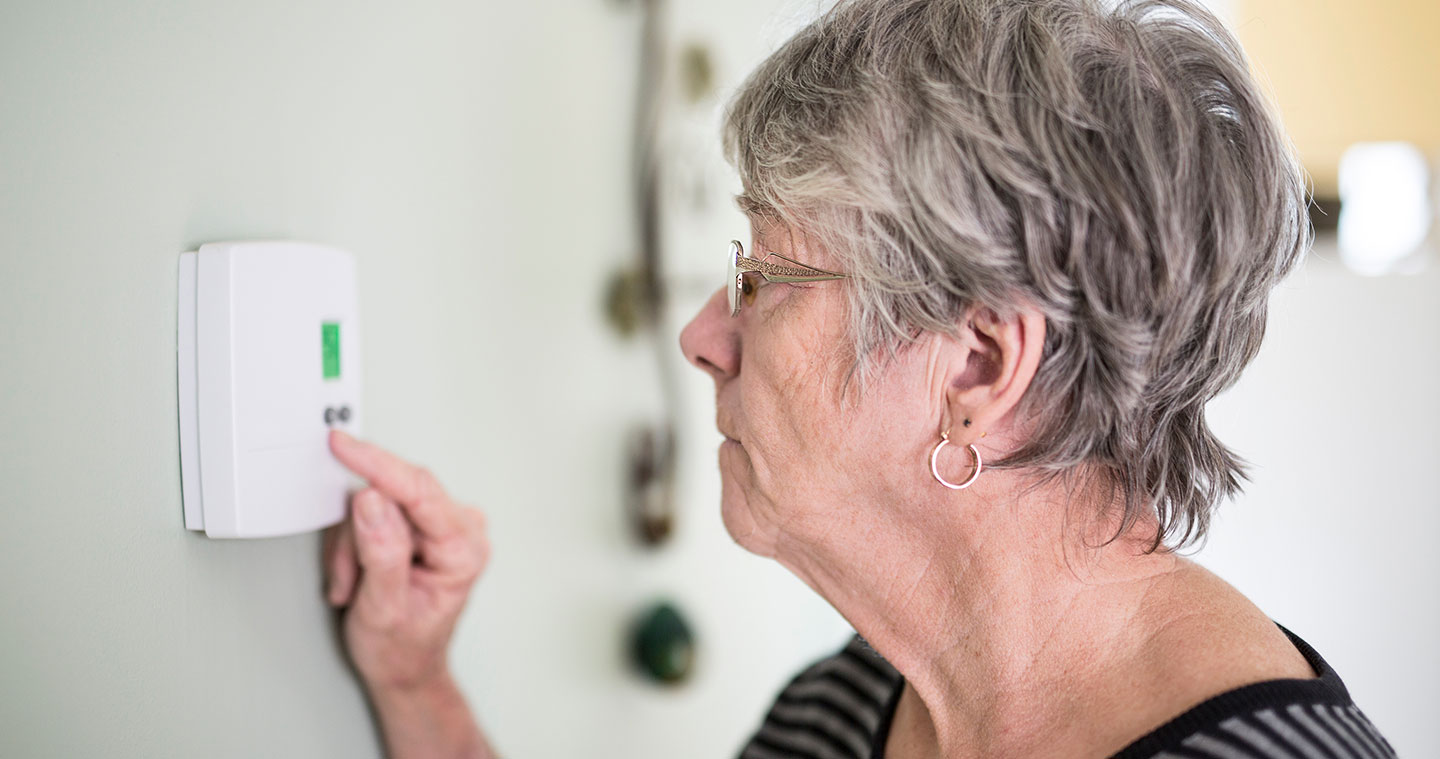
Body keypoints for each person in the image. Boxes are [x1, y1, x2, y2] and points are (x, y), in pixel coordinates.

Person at [321, 0, 1400, 756]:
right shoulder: (850, 709)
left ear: (978, 366)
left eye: (762, 276)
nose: (703, 334)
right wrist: (417, 685)